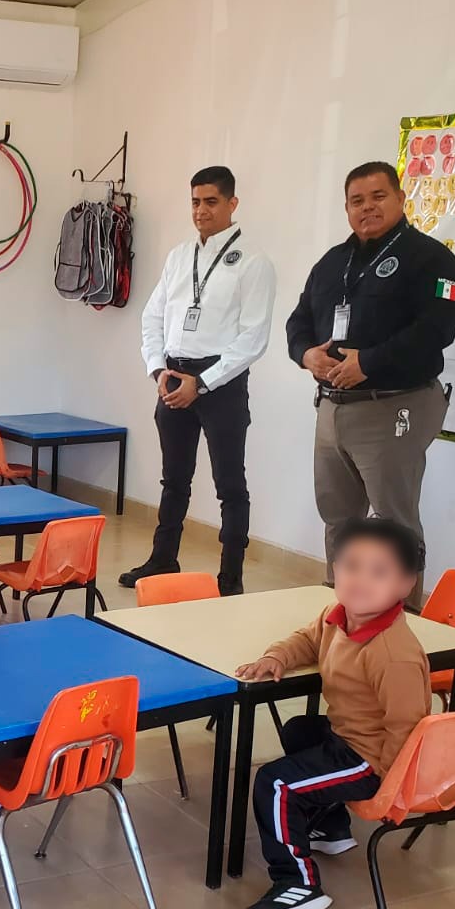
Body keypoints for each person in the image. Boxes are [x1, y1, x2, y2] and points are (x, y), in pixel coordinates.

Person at [284, 161, 455, 601]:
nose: (367, 207)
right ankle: (342, 608)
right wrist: (305, 354)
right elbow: (299, 320)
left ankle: (400, 619)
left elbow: (435, 329)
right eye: (357, 201)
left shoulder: (432, 260)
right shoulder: (333, 263)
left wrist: (369, 362)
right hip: (332, 407)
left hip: (395, 404)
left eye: (378, 197)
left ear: (401, 199)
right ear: (346, 208)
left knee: (394, 522)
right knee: (338, 517)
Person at [233, 518, 430, 909]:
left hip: (372, 759)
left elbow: (408, 726)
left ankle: (298, 884)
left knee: (275, 784)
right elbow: (308, 639)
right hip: (349, 737)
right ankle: (332, 827)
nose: (360, 580)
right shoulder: (338, 615)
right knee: (300, 730)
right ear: (335, 568)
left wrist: (389, 787)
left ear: (406, 584)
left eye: (379, 572)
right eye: (351, 566)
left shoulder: (393, 654)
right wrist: (276, 656)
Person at [120, 165, 277, 595]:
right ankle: (162, 559)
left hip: (221, 383)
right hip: (173, 375)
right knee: (174, 479)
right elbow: (152, 317)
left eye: (210, 202)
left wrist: (203, 382)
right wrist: (158, 369)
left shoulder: (253, 261)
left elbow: (253, 339)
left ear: (232, 203)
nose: (200, 211)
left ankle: (230, 578)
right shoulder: (179, 256)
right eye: (194, 202)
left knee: (230, 486)